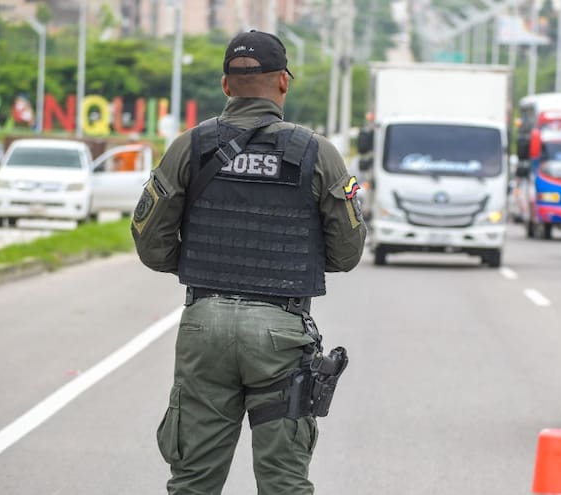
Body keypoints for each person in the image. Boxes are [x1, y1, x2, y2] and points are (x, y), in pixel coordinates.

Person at [131, 29, 366, 495]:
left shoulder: (188, 146)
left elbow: (150, 241)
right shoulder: (317, 153)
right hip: (280, 329)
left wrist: (200, 264)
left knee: (192, 482)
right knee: (284, 483)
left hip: (204, 323)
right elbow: (347, 251)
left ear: (225, 85)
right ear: (283, 82)